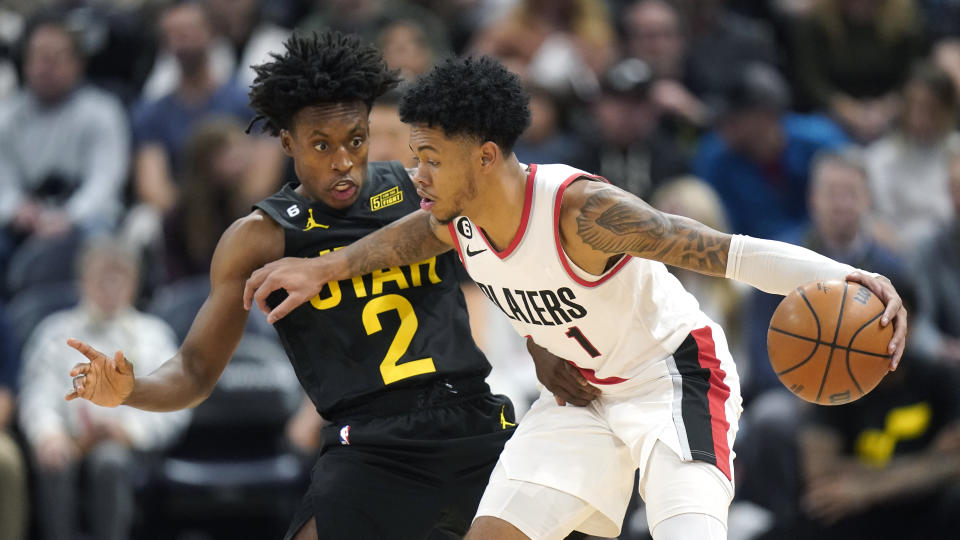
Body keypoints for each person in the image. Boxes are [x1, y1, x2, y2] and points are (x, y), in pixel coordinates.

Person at [242, 56, 907, 540]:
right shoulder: (454, 214)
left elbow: (715, 247)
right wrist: (327, 269)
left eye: (429, 158)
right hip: (580, 393)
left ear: (484, 157)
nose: (414, 172)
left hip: (674, 380)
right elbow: (414, 239)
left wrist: (842, 277)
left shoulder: (581, 211)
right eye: (414, 155)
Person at [63, 32, 589, 540]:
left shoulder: (418, 191)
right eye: (321, 145)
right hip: (372, 446)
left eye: (355, 140)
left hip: (468, 421)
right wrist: (132, 392)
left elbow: (515, 258)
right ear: (287, 142)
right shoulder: (259, 239)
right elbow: (196, 372)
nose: (343, 161)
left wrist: (538, 340)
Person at [18, 238, 190, 540]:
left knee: (109, 461)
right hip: (68, 439)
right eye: (101, 276)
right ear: (83, 280)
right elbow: (37, 394)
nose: (110, 285)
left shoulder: (154, 335)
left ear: (135, 282)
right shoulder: (54, 332)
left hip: (127, 445)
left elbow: (174, 400)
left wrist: (132, 431)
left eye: (120, 276)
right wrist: (49, 434)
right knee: (54, 462)